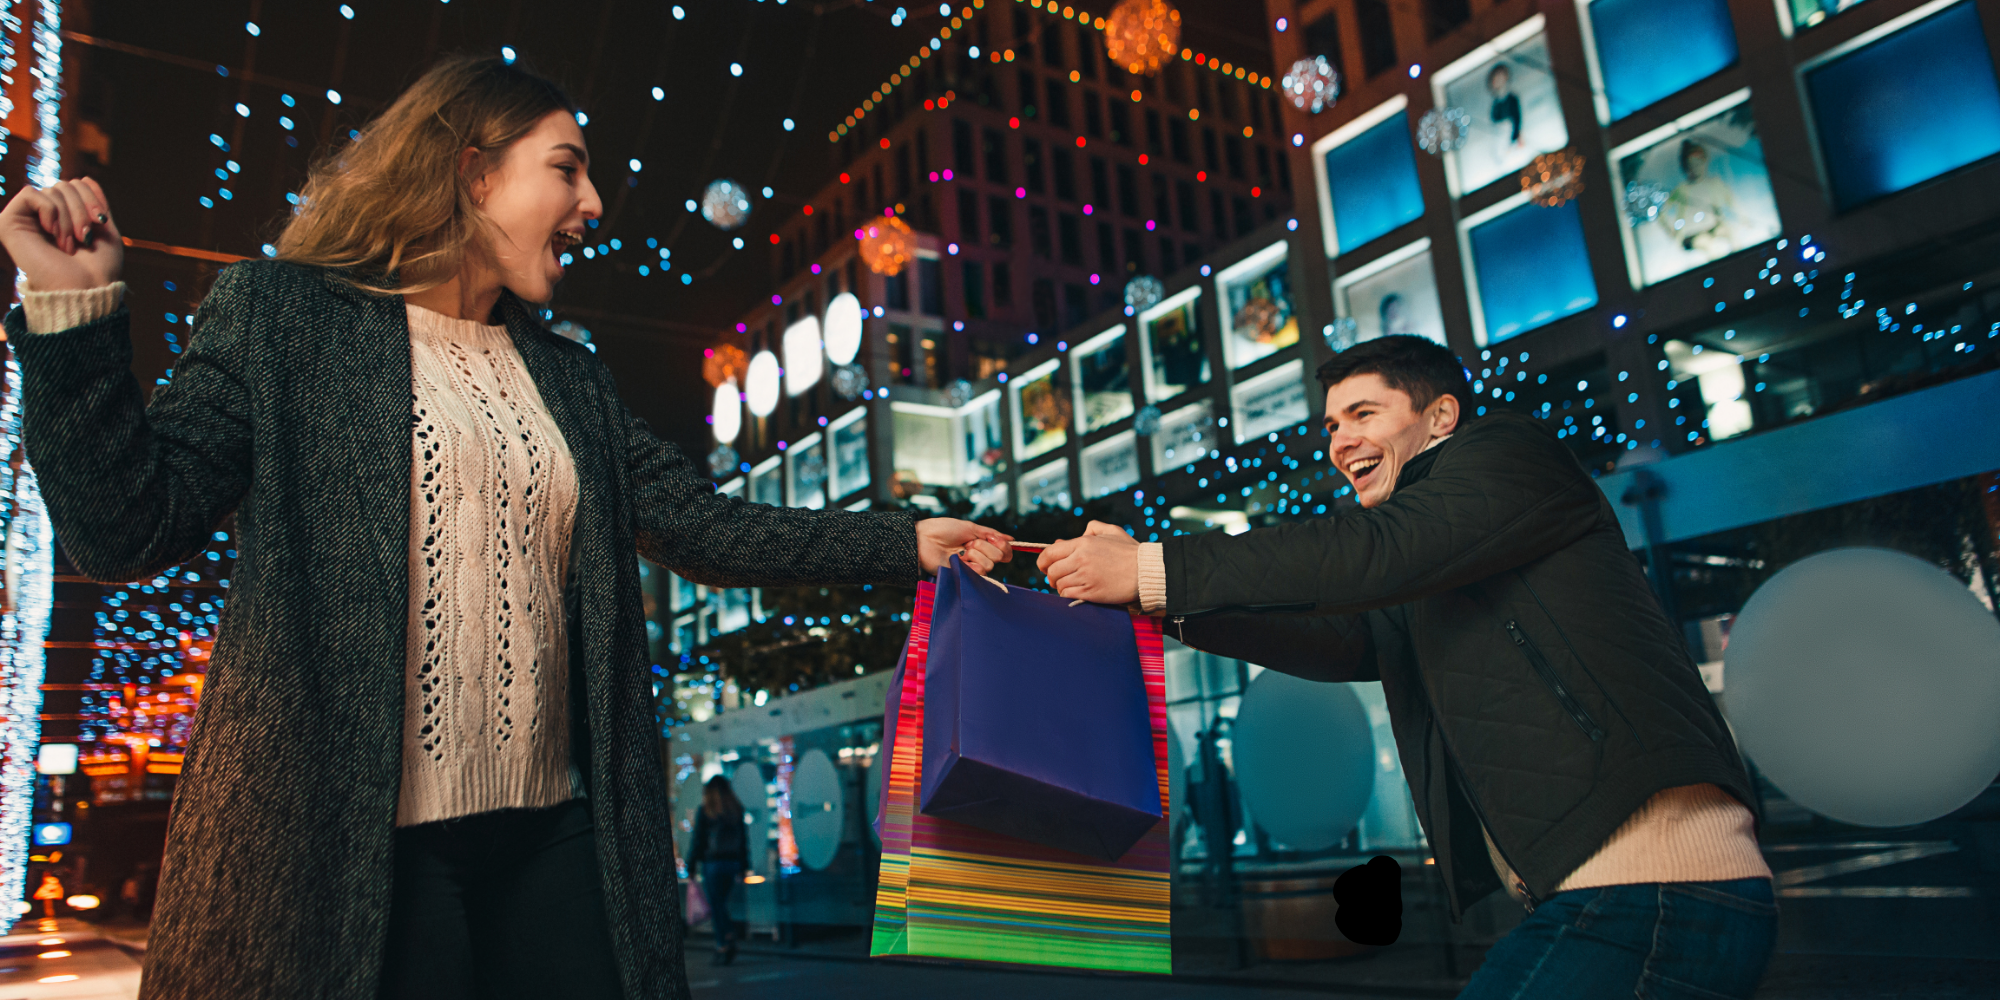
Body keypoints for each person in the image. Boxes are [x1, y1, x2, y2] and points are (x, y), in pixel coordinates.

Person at [0, 54, 1012, 1000]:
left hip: (555, 834)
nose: (593, 203)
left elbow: (703, 526)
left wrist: (904, 543)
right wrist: (72, 317)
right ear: (472, 171)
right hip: (349, 841)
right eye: (566, 168)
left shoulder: (571, 377)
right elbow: (129, 531)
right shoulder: (285, 318)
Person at [1037, 335, 1777, 999]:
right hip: (1611, 894)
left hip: (1656, 882)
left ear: (1442, 415)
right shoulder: (1425, 561)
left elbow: (1374, 552)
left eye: (1363, 413)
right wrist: (1159, 604)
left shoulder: (1507, 455)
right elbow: (1344, 639)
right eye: (1331, 426)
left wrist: (1152, 565)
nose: (1340, 441)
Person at [683, 775, 748, 965]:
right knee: (721, 903)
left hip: (714, 863)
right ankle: (726, 939)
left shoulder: (707, 811)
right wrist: (744, 865)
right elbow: (744, 840)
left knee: (716, 904)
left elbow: (698, 840)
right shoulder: (736, 810)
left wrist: (691, 864)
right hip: (732, 863)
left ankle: (724, 941)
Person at [1662, 139, 1741, 259]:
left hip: (1713, 227)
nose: (1696, 167)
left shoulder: (1713, 183)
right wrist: (1673, 233)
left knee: (1732, 237)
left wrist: (1742, 218)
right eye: (1692, 164)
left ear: (1704, 161)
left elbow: (1730, 199)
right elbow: (1662, 212)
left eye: (1699, 163)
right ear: (1686, 167)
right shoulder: (1682, 189)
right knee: (1710, 248)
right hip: (1693, 234)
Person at [1487, 63, 1523, 147]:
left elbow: (1517, 120)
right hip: (1500, 142)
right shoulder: (1495, 105)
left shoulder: (1513, 99)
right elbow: (1494, 123)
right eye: (1497, 78)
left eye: (1501, 77)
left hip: (1513, 142)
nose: (1499, 80)